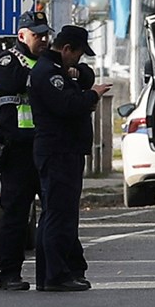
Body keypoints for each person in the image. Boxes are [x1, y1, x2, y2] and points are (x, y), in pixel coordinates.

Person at [28, 25, 112, 292]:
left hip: (63, 151)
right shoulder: (49, 73)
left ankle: (57, 272)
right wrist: (93, 95)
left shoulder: (57, 71)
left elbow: (82, 79)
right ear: (66, 49)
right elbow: (68, 105)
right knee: (58, 215)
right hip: (59, 151)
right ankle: (55, 275)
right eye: (77, 55)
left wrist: (82, 82)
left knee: (58, 214)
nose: (78, 60)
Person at [0, 10, 51, 291]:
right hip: (18, 150)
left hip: (45, 145)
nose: (43, 39)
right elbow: (14, 83)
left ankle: (52, 273)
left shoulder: (49, 62)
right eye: (37, 35)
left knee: (53, 213)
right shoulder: (7, 60)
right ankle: (9, 273)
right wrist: (48, 78)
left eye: (45, 34)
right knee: (15, 215)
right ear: (21, 35)